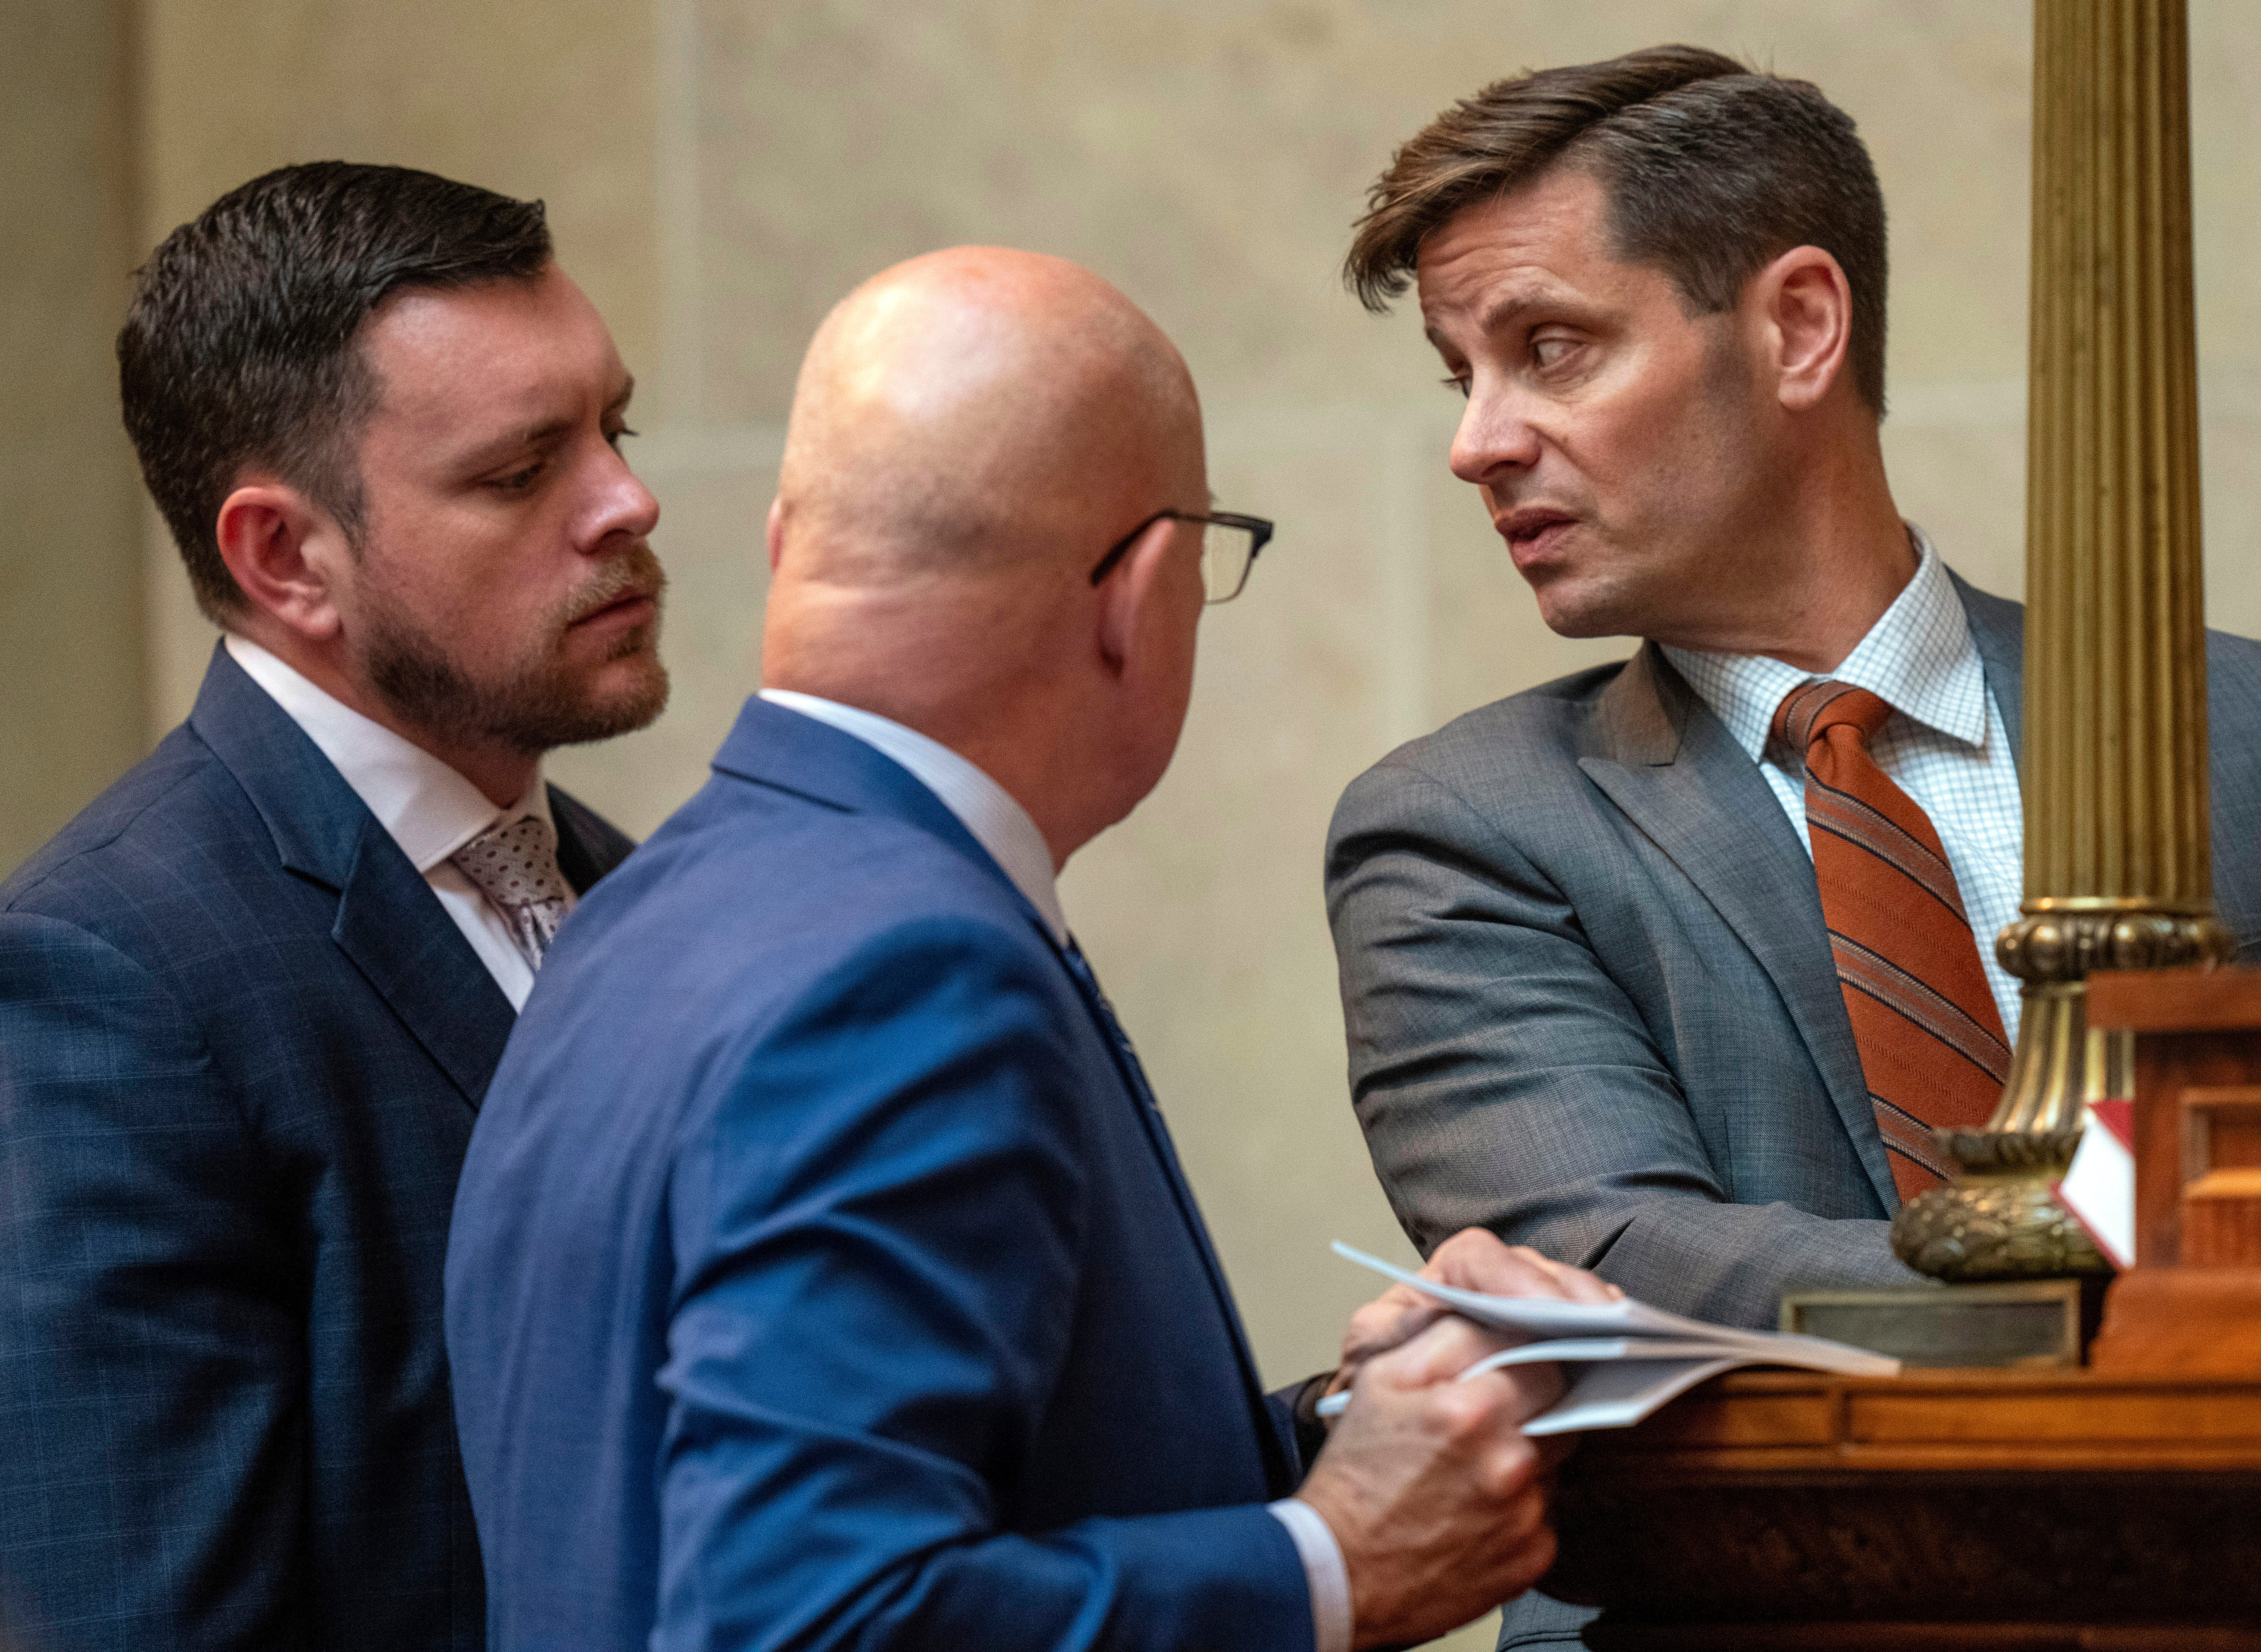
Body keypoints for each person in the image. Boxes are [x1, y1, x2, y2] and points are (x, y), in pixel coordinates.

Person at [446, 246, 1609, 1652]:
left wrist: (1368, 1425)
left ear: (782, 545)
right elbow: (808, 1619)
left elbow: (970, 1489)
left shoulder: (637, 907)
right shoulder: (909, 970)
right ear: (1143, 591)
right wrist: (1329, 1567)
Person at [1325, 42, 2261, 1397]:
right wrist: (2159, 1271)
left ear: (1799, 327)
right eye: (1460, 374)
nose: (1479, 442)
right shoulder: (1462, 828)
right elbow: (1607, 1266)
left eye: (1550, 348)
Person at [0, 163, 665, 1650]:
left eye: (618, 428)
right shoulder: (103, 980)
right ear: (285, 556)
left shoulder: (629, 884)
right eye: (520, 471)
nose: (628, 500)